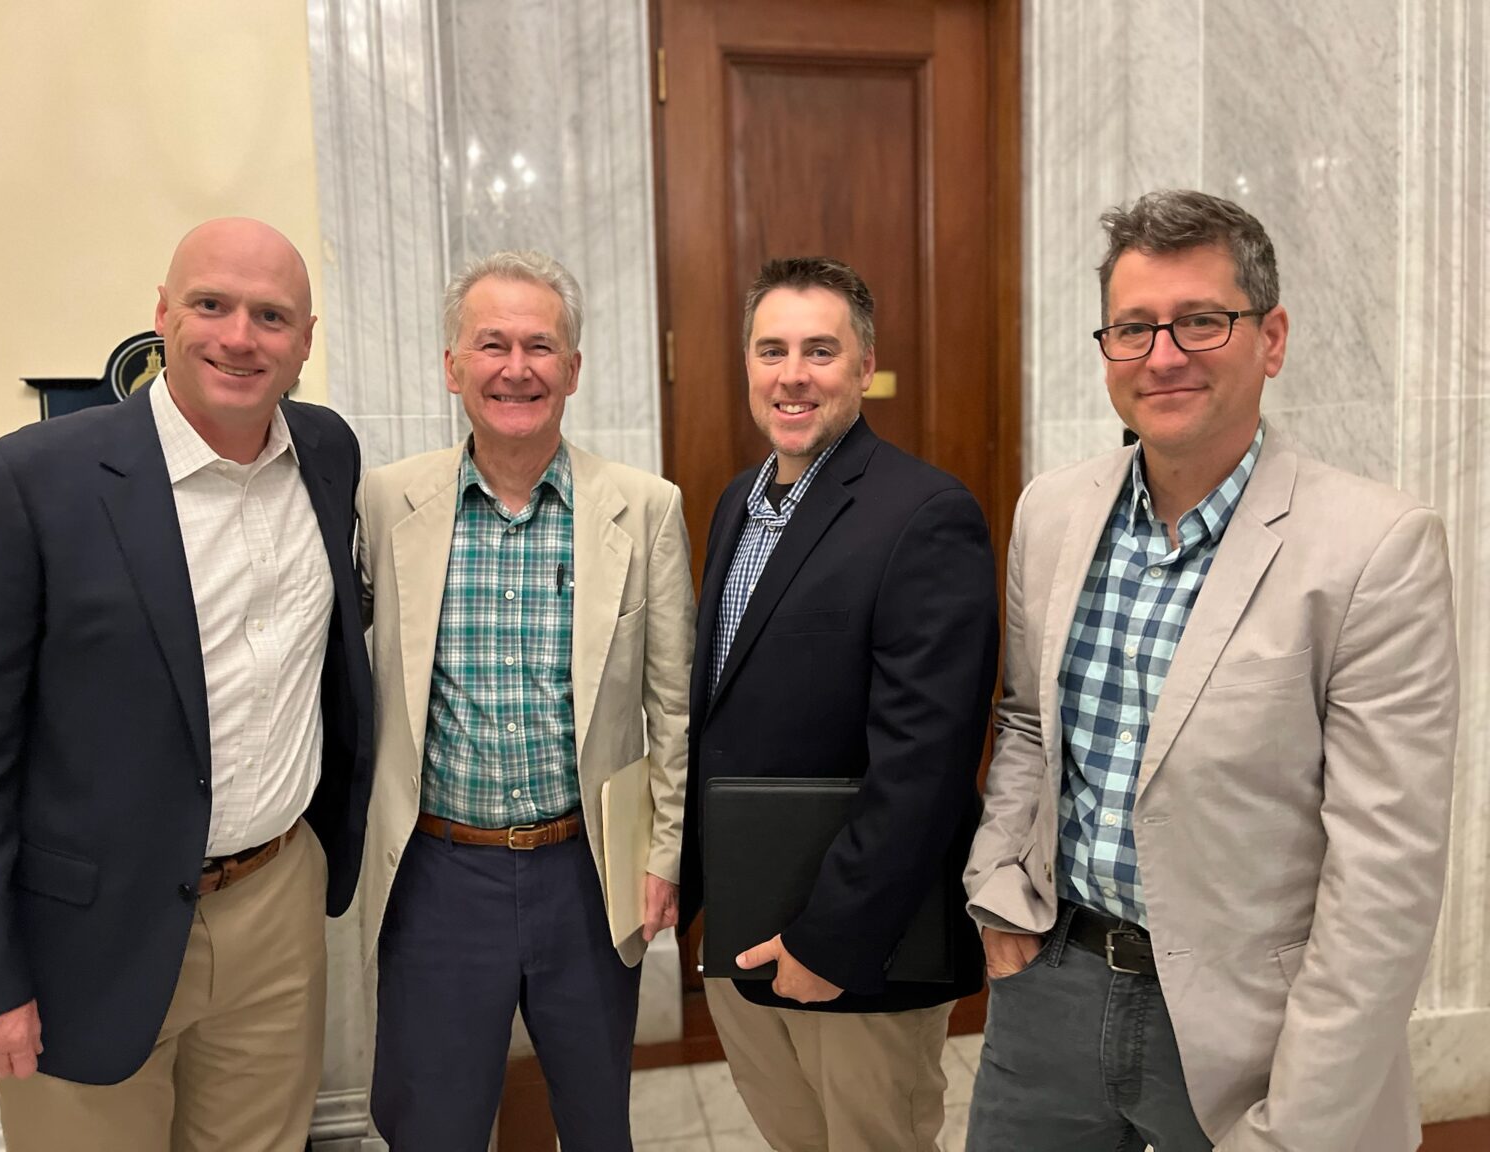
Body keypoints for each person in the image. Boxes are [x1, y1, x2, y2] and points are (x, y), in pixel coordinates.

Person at [963, 189, 1459, 1152]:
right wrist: (996, 881)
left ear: (1270, 338)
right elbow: (1026, 722)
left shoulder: (1375, 548)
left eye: (1202, 321)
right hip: (1054, 985)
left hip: (1257, 1034)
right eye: (1134, 327)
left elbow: (1384, 876)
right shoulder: (1052, 512)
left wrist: (1300, 1123)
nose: (1164, 355)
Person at [0, 218, 375, 1151]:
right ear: (161, 315)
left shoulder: (328, 454)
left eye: (271, 316)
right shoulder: (30, 481)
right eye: (211, 305)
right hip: (87, 933)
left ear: (306, 340)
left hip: (275, 902)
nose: (239, 337)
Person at [355, 249, 694, 1151]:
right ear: (452, 366)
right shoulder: (388, 504)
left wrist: (664, 854)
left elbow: (674, 705)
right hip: (438, 875)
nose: (517, 368)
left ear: (574, 369)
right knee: (434, 1124)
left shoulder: (644, 508)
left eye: (540, 346)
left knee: (594, 1122)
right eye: (492, 344)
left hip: (584, 870)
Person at [678, 256, 999, 1152]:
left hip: (857, 947)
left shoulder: (925, 513)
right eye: (771, 349)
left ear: (865, 366)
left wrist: (830, 941)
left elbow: (926, 764)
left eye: (821, 350)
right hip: (747, 929)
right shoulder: (739, 502)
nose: (792, 374)